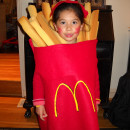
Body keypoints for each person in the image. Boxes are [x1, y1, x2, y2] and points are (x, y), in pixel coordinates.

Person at [32, 1, 100, 130]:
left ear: (81, 25)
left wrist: (96, 100)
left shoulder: (88, 49)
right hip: (57, 103)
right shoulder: (47, 50)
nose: (69, 28)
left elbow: (94, 75)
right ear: (55, 25)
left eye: (74, 22)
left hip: (84, 102)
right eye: (63, 22)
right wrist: (39, 104)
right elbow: (38, 77)